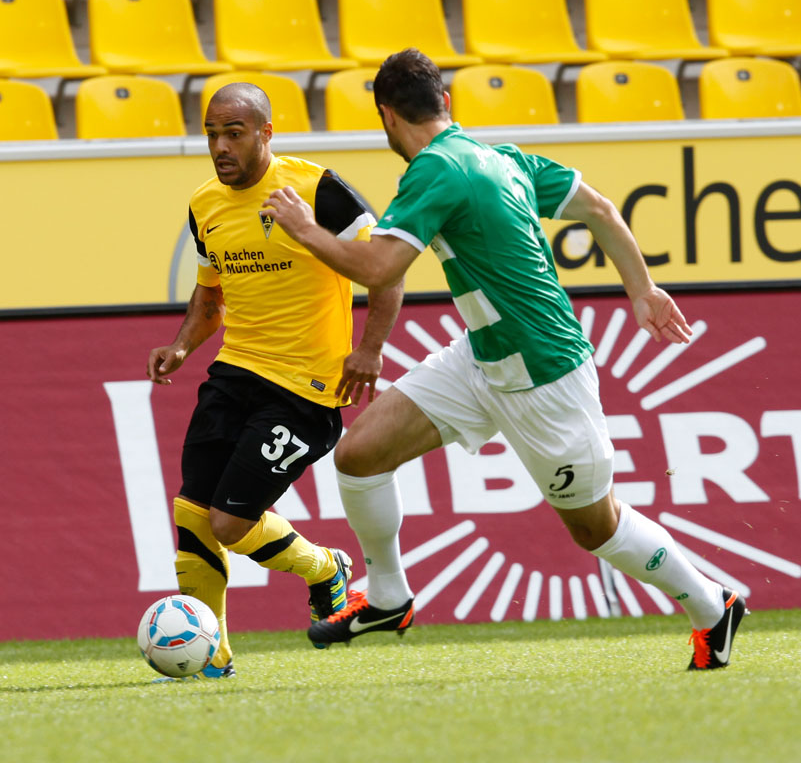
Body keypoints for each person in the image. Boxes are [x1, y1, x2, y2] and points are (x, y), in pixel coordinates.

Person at [262, 49, 748, 671]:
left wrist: (306, 229)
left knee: (595, 529)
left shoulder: (436, 170)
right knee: (359, 457)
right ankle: (387, 597)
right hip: (483, 355)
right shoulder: (502, 158)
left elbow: (379, 268)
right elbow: (600, 209)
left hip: (545, 375)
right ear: (445, 103)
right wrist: (642, 289)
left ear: (386, 115)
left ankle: (711, 604)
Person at [146, 82, 403, 677]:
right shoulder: (204, 204)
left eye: (233, 133)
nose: (220, 146)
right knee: (192, 513)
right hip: (235, 371)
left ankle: (327, 569)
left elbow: (386, 272)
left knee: (229, 524)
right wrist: (181, 345)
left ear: (266, 133)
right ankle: (212, 658)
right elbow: (210, 296)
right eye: (212, 134)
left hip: (305, 390)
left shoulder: (318, 190)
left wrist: (369, 349)